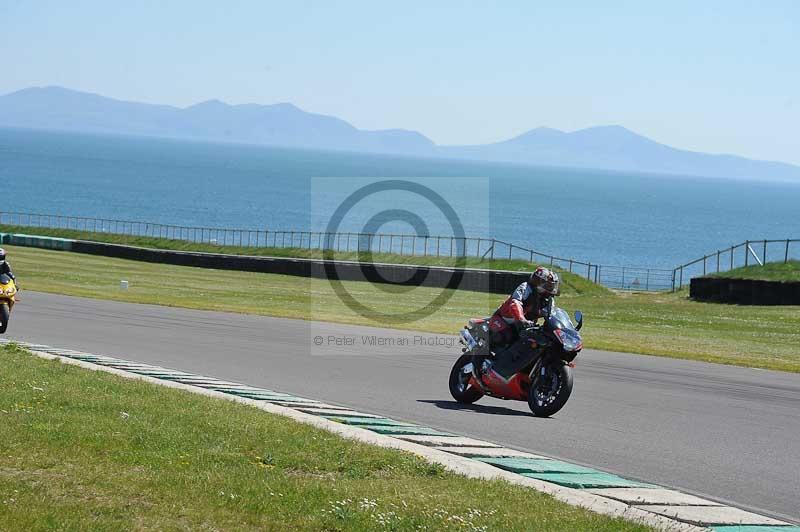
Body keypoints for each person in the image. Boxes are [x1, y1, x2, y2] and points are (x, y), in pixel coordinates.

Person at [488, 266, 560, 347]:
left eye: (553, 285)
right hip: (504, 318)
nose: (552, 288)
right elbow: (515, 303)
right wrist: (522, 319)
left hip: (525, 325)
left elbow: (552, 314)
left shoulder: (548, 299)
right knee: (507, 337)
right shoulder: (525, 288)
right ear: (540, 282)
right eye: (549, 285)